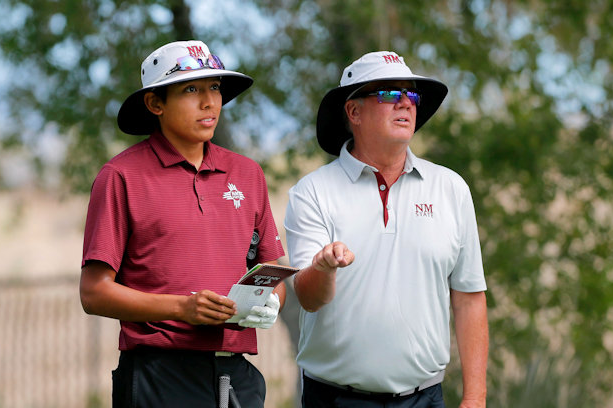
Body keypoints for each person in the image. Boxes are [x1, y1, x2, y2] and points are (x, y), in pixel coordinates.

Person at [79, 40, 286, 408]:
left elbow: (273, 270)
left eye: (214, 88)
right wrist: (182, 310)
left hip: (238, 376)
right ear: (155, 103)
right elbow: (94, 293)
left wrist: (272, 303)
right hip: (158, 375)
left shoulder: (248, 173)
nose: (209, 102)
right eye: (191, 89)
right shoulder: (120, 176)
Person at [284, 51, 488, 408]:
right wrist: (323, 267)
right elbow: (309, 299)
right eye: (390, 95)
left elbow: (469, 297)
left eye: (411, 96)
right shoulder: (312, 191)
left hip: (426, 398)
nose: (406, 104)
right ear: (354, 112)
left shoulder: (451, 187)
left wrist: (475, 397)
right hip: (335, 399)